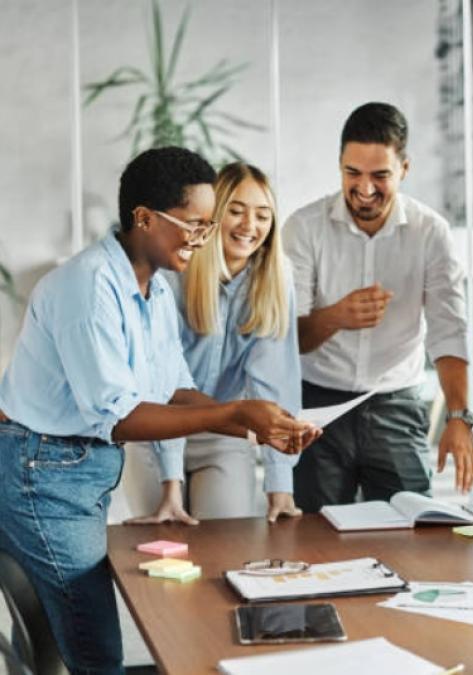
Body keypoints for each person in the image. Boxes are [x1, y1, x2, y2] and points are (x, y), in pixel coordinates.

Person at [0, 146, 318, 673]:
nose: (204, 237)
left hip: (76, 470)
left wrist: (247, 418)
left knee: (70, 634)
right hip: (44, 474)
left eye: (208, 225)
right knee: (94, 645)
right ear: (144, 219)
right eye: (194, 224)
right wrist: (231, 414)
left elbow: (173, 388)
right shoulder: (89, 286)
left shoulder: (153, 291)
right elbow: (120, 416)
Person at [284, 101, 473, 511]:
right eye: (352, 173)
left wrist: (459, 417)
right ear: (339, 164)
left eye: (380, 175)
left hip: (396, 403)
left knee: (412, 531)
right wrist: (337, 316)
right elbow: (289, 339)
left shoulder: (431, 233)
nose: (365, 188)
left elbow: (449, 330)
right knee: (315, 537)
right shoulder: (304, 228)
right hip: (318, 404)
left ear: (404, 169)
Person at [122, 162, 305, 522]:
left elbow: (275, 385)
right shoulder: (174, 272)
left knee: (226, 546)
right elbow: (163, 386)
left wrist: (280, 486)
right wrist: (170, 483)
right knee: (164, 551)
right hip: (155, 433)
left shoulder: (275, 279)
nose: (250, 226)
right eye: (235, 212)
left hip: (224, 435)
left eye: (262, 215)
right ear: (210, 217)